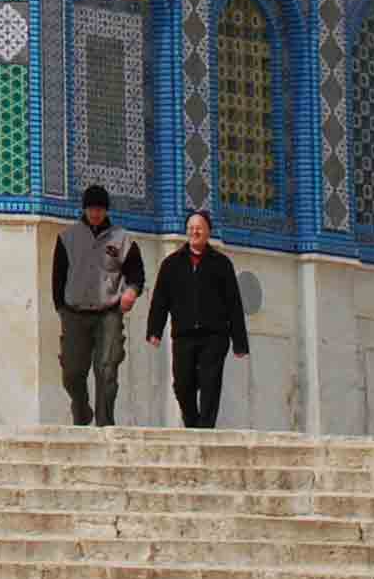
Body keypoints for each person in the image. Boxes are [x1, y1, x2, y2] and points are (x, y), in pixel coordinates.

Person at [145, 206, 249, 428]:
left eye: (199, 228)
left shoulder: (222, 264)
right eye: (191, 228)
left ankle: (206, 429)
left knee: (210, 383)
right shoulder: (171, 264)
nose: (194, 232)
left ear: (208, 232)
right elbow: (160, 300)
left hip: (214, 336)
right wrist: (154, 330)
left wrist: (240, 342)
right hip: (184, 335)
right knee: (182, 384)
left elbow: (234, 304)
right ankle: (192, 424)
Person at [49, 183, 144, 425]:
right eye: (91, 209)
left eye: (100, 209)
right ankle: (81, 409)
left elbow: (136, 273)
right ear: (84, 209)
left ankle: (104, 424)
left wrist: (131, 291)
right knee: (71, 372)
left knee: (107, 370)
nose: (95, 214)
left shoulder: (122, 239)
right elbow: (58, 276)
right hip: (74, 314)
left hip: (108, 314)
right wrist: (61, 308)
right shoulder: (67, 237)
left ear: (106, 210)